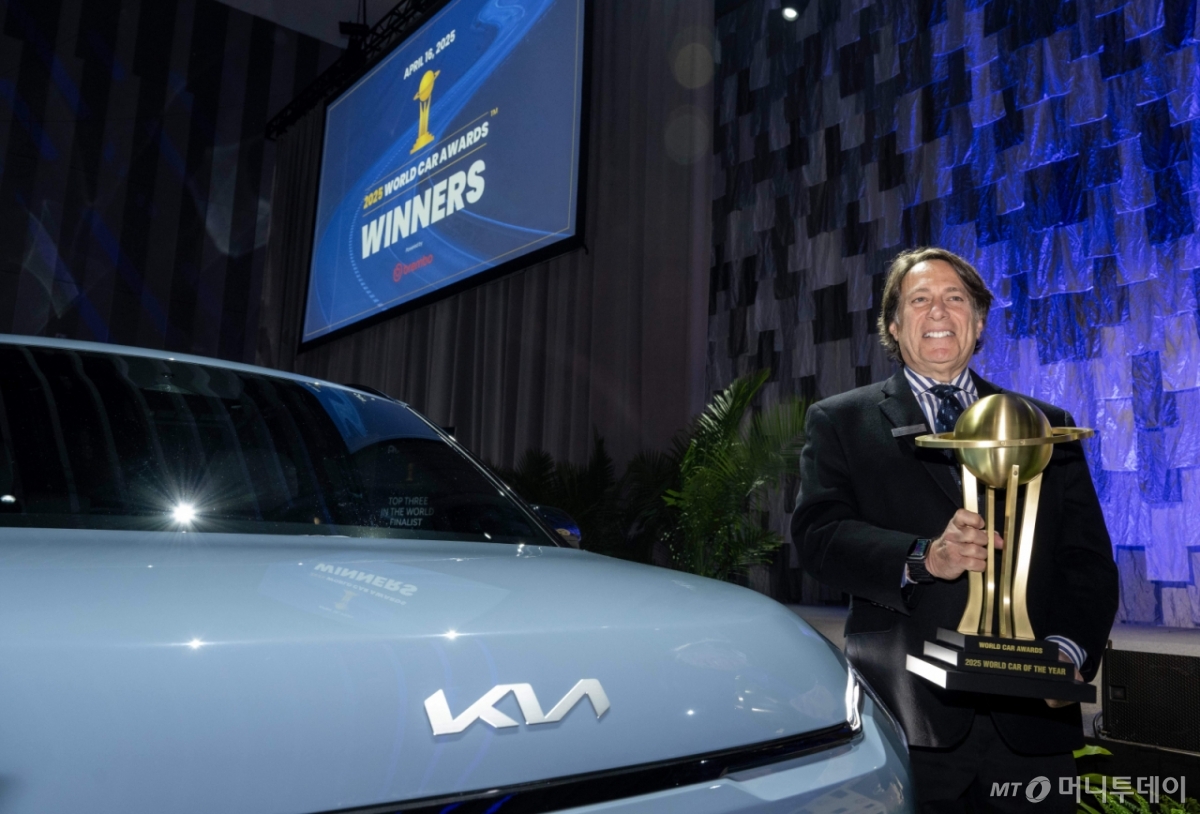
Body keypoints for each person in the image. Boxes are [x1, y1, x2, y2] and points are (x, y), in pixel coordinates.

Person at [791, 247, 1118, 813]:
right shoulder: (840, 420)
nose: (938, 311)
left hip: (1032, 723)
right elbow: (819, 536)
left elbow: (1086, 560)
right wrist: (924, 557)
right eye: (920, 299)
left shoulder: (1046, 425)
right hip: (907, 717)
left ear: (979, 320)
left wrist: (1065, 653)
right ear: (895, 326)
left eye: (955, 298)